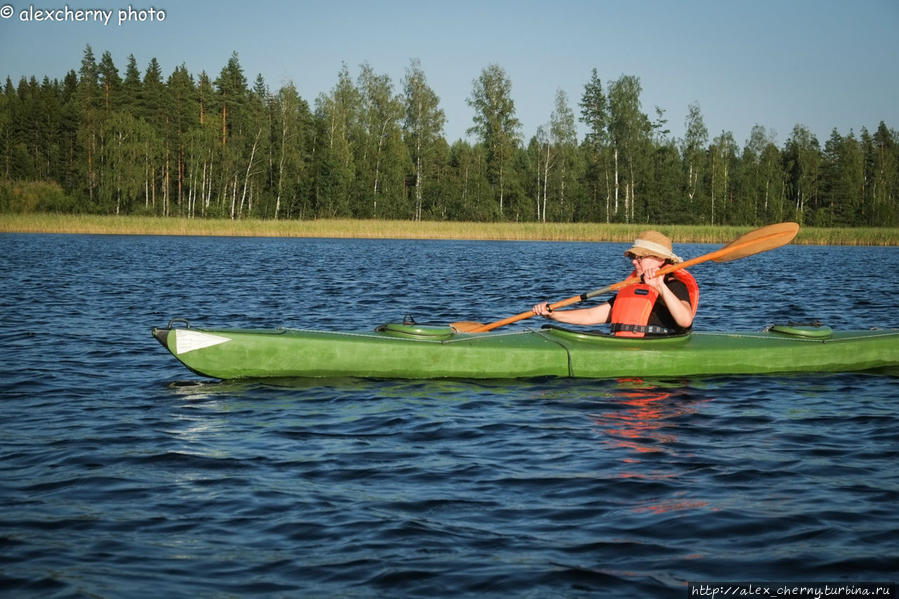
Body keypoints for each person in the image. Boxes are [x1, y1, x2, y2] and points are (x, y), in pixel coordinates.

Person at [532, 230, 699, 337]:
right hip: (625, 348)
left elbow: (685, 320)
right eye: (633, 258)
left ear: (660, 260)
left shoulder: (673, 285)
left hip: (659, 351)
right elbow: (591, 316)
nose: (634, 262)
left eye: (640, 257)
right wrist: (553, 314)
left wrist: (660, 287)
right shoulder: (631, 287)